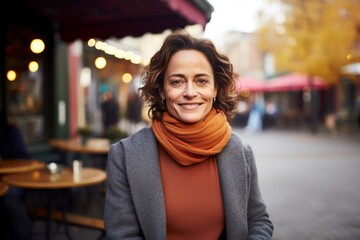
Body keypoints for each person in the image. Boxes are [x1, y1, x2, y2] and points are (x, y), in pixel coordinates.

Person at [104, 30, 273, 239]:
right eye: (177, 82)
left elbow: (258, 221)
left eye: (201, 81)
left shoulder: (239, 151)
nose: (190, 92)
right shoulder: (125, 155)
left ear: (215, 89)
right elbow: (122, 235)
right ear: (162, 91)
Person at [0, 112, 32, 240]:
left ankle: (22, 235)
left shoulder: (11, 133)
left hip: (14, 179)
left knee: (9, 198)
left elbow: (23, 158)